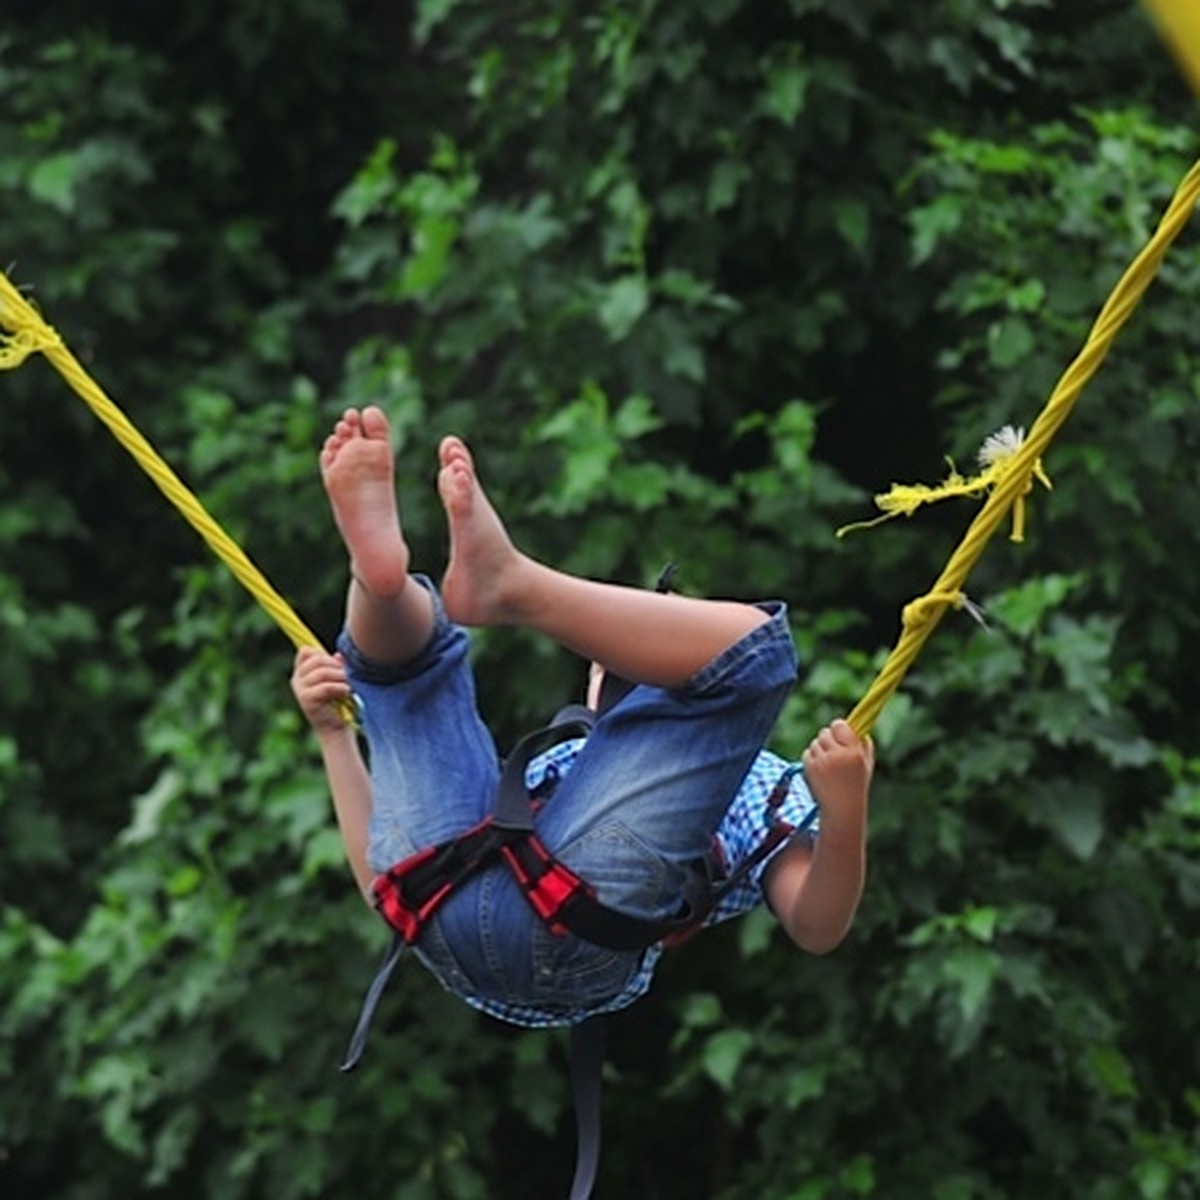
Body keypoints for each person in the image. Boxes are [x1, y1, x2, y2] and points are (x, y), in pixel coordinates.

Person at [291, 405, 873, 1029]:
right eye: (622, 667)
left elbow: (815, 927)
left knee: (749, 657)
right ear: (592, 679)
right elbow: (389, 876)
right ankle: (382, 586)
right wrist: (335, 737)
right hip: (439, 898)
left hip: (560, 933)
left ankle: (506, 586)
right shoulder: (552, 773)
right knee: (408, 673)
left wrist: (844, 814)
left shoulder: (758, 784)